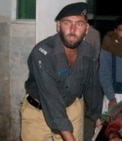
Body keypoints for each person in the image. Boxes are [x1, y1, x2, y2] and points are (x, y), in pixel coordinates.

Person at [20, 2, 103, 141]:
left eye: (79, 24)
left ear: (87, 29)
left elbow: (92, 86)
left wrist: (98, 116)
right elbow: (50, 97)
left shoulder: (88, 52)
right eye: (67, 23)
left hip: (71, 109)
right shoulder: (42, 53)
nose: (72, 29)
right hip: (36, 114)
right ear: (58, 26)